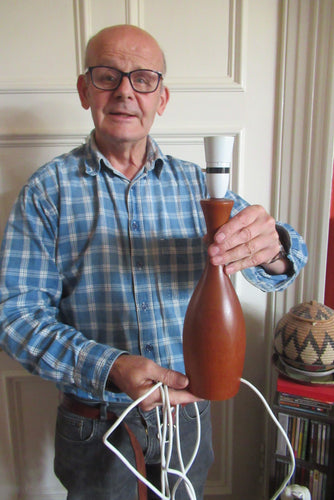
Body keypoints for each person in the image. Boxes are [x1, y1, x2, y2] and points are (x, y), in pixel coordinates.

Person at [0, 25, 307, 500]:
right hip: (96, 423)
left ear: (161, 98)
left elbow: (287, 258)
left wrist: (276, 250)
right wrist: (111, 366)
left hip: (187, 419)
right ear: (85, 91)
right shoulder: (47, 191)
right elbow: (15, 317)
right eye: (108, 76)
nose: (125, 90)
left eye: (143, 79)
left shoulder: (200, 189)